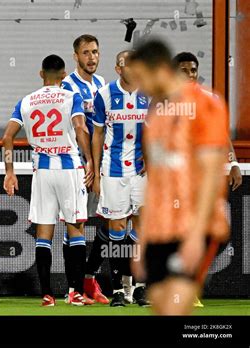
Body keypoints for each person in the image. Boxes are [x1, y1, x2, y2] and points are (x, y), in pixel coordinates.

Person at [129, 39, 229, 315]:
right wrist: (143, 240)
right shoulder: (156, 114)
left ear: (160, 69)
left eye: (142, 77)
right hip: (160, 227)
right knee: (162, 308)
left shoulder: (205, 103)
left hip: (195, 226)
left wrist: (196, 236)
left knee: (175, 308)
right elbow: (156, 182)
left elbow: (211, 174)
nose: (140, 85)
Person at [3, 54, 94, 306]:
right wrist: (90, 160)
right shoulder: (71, 96)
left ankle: (47, 294)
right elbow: (80, 128)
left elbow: (7, 138)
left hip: (42, 171)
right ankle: (74, 292)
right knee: (75, 229)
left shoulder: (27, 101)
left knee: (44, 234)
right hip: (68, 168)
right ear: (64, 76)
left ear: (41, 74)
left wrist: (9, 171)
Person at [92, 50, 149, 307]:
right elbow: (97, 134)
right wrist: (94, 170)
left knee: (141, 228)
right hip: (113, 171)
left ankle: (139, 287)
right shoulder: (104, 95)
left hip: (141, 172)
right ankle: (117, 289)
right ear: (118, 68)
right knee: (116, 230)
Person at [61, 35, 109, 304]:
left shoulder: (102, 83)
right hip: (79, 164)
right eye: (86, 53)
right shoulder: (68, 86)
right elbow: (77, 128)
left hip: (103, 164)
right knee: (76, 223)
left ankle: (89, 276)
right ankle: (75, 287)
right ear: (75, 56)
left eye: (95, 52)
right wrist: (89, 162)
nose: (92, 57)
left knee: (112, 219)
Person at [172, 52, 242, 192]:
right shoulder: (163, 101)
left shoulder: (211, 99)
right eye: (183, 71)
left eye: (193, 70)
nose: (190, 75)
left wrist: (234, 163)